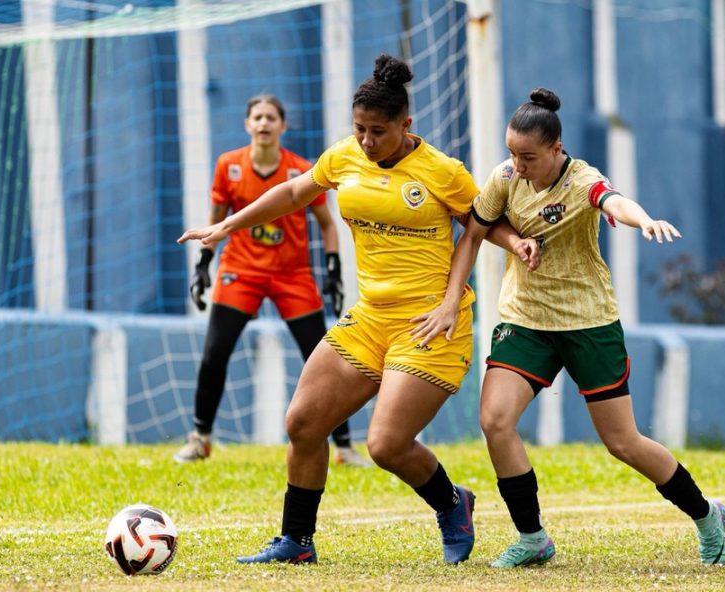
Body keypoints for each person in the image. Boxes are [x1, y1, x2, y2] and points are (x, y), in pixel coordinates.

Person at [179, 54, 533, 565]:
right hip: (370, 318)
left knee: (385, 444)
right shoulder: (345, 156)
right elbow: (295, 191)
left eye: (378, 132)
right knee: (302, 422)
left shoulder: (442, 171)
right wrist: (226, 227)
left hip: (430, 323)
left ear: (406, 126)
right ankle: (296, 541)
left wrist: (516, 243)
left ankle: (453, 503)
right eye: (360, 130)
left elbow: (480, 222)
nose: (367, 142)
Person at [448, 87, 725, 568]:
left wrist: (644, 220)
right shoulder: (504, 175)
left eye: (528, 157)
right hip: (526, 319)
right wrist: (509, 248)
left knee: (623, 443)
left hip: (588, 322)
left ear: (557, 149)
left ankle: (708, 516)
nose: (517, 165)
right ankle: (533, 537)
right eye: (512, 153)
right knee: (495, 421)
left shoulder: (582, 181)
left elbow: (614, 201)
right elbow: (476, 229)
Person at [174, 94, 371, 468]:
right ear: (247, 124)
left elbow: (327, 224)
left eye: (271, 118)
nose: (264, 124)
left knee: (323, 357)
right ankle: (200, 438)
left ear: (283, 126)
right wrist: (204, 263)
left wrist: (332, 267)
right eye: (257, 117)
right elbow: (217, 218)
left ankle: (344, 446)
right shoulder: (228, 166)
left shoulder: (301, 169)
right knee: (215, 351)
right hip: (241, 269)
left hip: (292, 274)